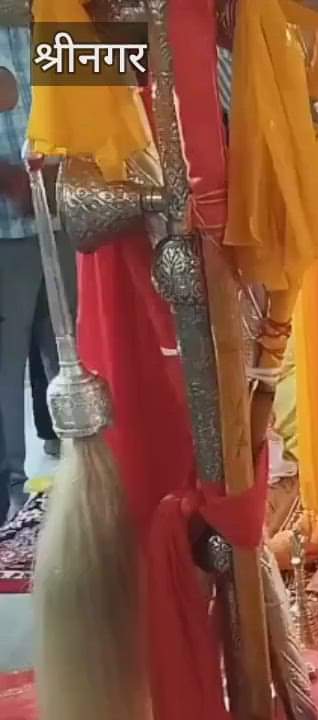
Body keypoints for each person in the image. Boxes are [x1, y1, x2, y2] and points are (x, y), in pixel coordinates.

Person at [0, 30, 38, 521]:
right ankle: (10, 501)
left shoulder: (53, 19)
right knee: (6, 374)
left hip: (73, 217)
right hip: (5, 230)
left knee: (84, 359)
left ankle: (81, 503)